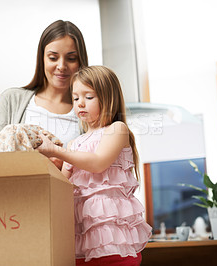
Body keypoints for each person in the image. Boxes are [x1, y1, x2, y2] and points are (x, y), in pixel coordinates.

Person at [36, 66, 152, 265]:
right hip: (83, 242)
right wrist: (48, 161)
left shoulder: (117, 130)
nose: (80, 103)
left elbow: (98, 163)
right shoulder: (74, 144)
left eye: (89, 97)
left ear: (108, 98)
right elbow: (63, 187)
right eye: (75, 98)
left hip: (114, 241)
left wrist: (58, 152)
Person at [0, 20, 89, 165]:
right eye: (53, 58)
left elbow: (95, 168)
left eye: (71, 58)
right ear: (42, 59)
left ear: (80, 61)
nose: (61, 66)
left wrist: (60, 166)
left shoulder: (89, 109)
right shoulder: (11, 100)